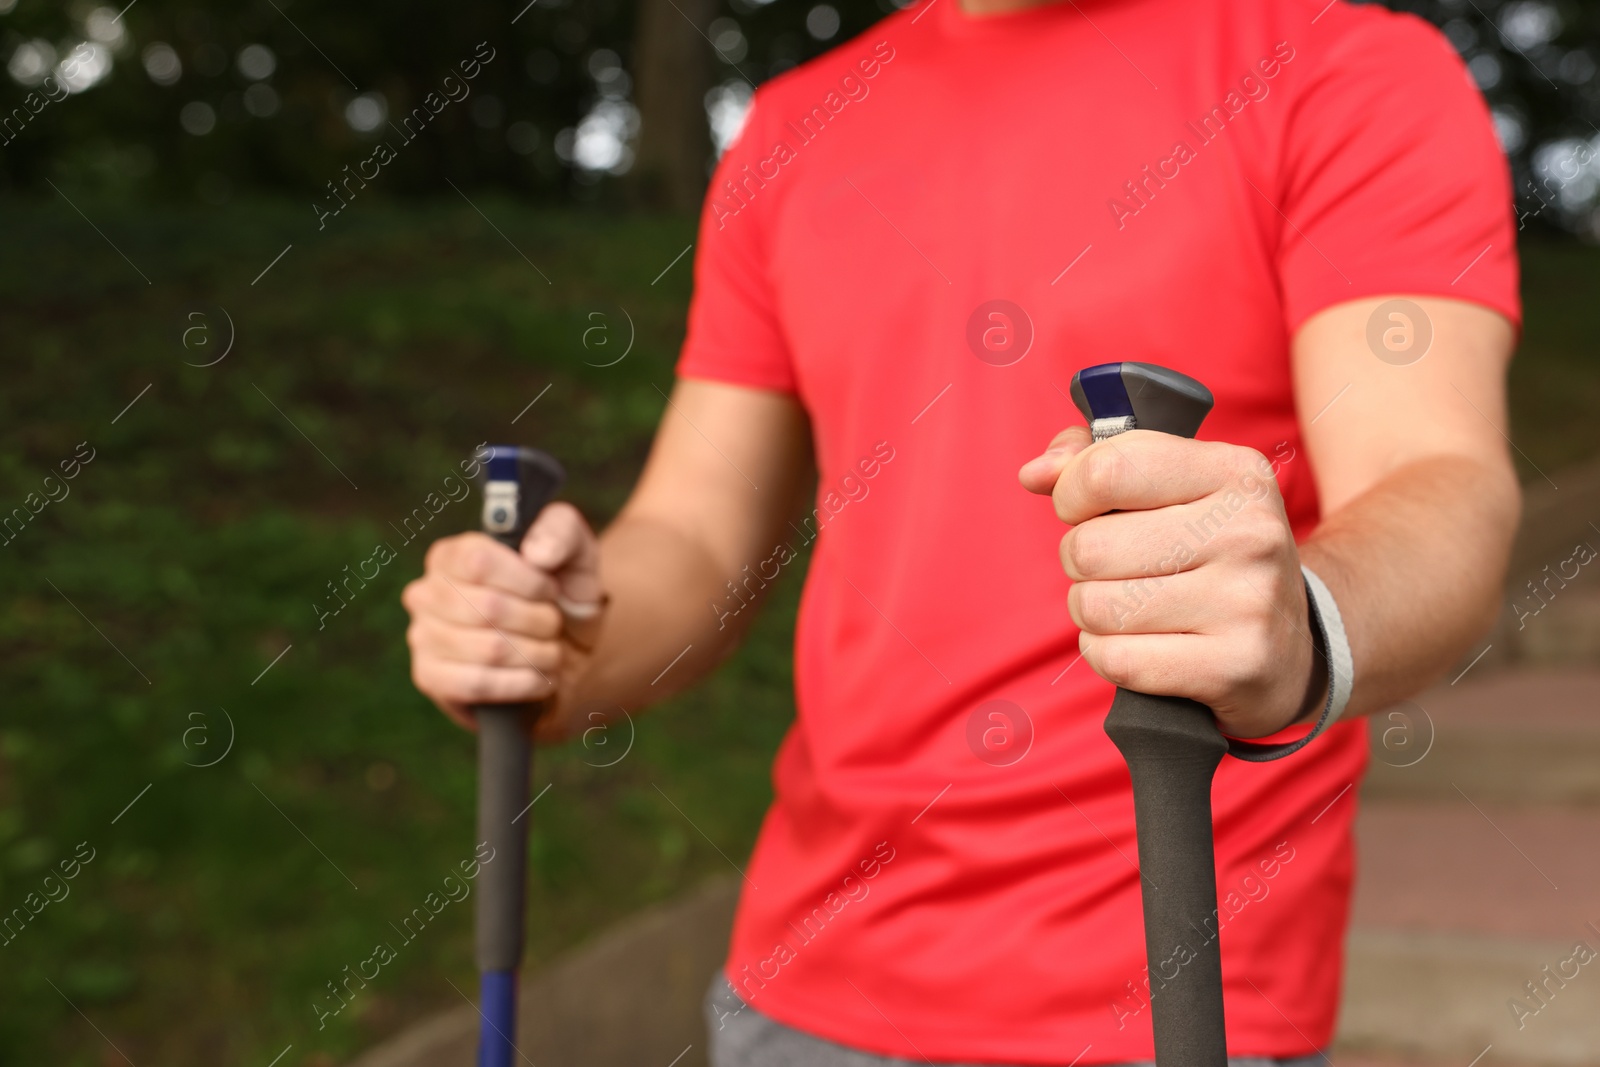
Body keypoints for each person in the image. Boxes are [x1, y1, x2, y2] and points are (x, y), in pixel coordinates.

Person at [401, 0, 1521, 1061]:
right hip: (797, 992)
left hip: (1169, 1002)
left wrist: (1300, 622)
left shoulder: (1340, 69)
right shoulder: (796, 127)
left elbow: (1438, 482)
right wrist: (544, 628)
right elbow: (690, 540)